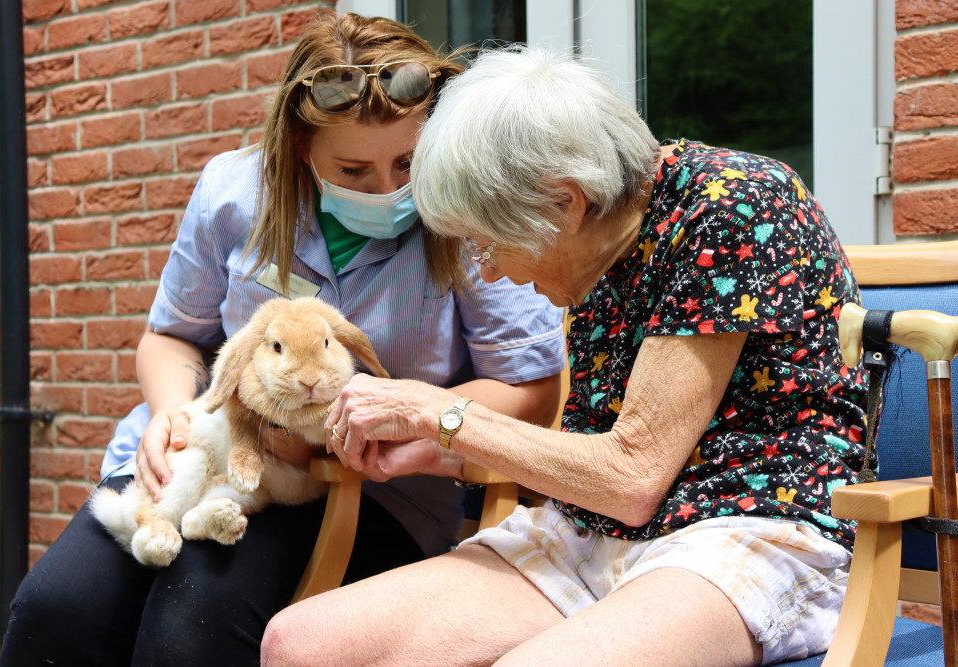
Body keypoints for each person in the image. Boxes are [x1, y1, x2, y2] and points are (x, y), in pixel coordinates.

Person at [260, 46, 869, 667]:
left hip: (747, 530)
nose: (489, 270)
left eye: (489, 241)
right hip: (592, 530)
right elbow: (603, 468)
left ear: (565, 202)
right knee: (301, 646)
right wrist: (442, 446)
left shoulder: (732, 208)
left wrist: (442, 414)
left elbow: (632, 476)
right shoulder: (604, 236)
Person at [0, 15, 565, 666]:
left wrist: (391, 421)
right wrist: (173, 414)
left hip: (366, 491)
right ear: (301, 146)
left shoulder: (468, 217)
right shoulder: (232, 194)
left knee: (189, 632)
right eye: (353, 168)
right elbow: (172, 339)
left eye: (408, 161)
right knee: (55, 609)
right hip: (203, 454)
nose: (389, 189)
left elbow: (529, 386)